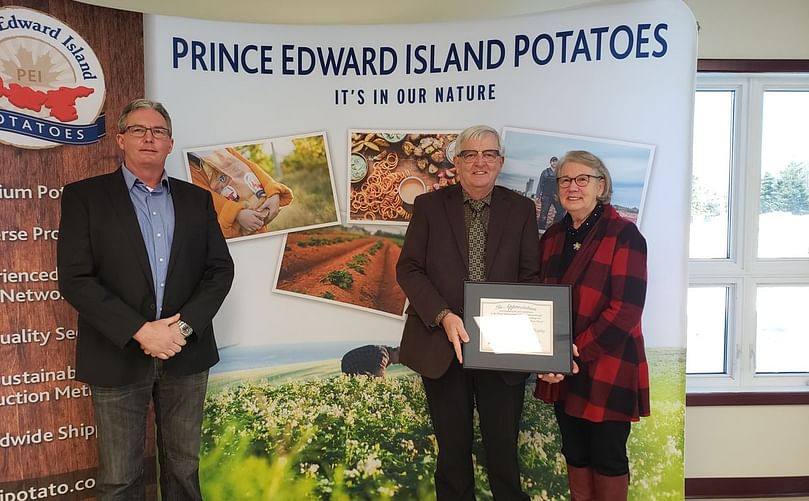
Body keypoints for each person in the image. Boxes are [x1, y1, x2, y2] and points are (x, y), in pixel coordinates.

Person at [57, 99, 235, 500]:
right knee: (120, 479)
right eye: (138, 129)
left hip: (185, 353)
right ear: (121, 139)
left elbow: (220, 270)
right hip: (116, 354)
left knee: (183, 471)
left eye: (158, 131)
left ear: (170, 143)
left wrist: (182, 328)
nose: (149, 137)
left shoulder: (197, 199)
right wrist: (140, 331)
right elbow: (74, 278)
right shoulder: (85, 197)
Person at [396, 125, 540, 500]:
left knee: (504, 456)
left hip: (503, 349)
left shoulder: (522, 209)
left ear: (500, 162)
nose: (480, 162)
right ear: (456, 163)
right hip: (442, 347)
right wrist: (443, 315)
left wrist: (504, 323)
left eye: (489, 154)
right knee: (453, 455)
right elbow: (408, 268)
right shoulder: (429, 206)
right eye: (470, 155)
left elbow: (531, 277)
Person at [534, 150, 650, 501]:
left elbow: (626, 310)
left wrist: (572, 351)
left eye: (582, 179)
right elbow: (539, 302)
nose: (572, 187)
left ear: (601, 186)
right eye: (565, 180)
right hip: (562, 367)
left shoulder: (625, 235)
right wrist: (547, 356)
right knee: (575, 453)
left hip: (606, 365)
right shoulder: (552, 237)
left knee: (608, 457)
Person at [187, 148, 293, 239]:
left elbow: (250, 167)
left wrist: (273, 193)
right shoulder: (189, 167)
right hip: (232, 237)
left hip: (258, 228)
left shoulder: (224, 148)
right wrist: (237, 214)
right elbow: (204, 197)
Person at [535, 156, 565, 229]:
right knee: (543, 214)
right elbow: (540, 184)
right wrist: (538, 196)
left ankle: (554, 227)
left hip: (555, 196)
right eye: (553, 161)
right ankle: (540, 229)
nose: (555, 163)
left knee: (561, 211)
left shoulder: (559, 173)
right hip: (546, 196)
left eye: (556, 161)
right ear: (550, 162)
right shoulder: (545, 172)